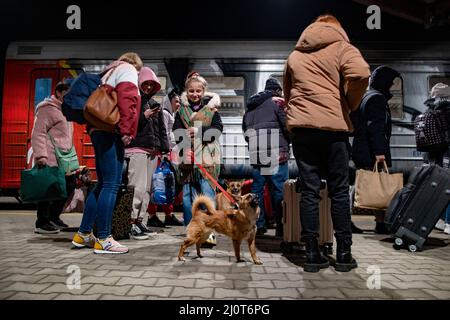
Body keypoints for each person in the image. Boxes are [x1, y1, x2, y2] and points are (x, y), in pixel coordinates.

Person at [283, 14, 370, 272]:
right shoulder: (342, 47)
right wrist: (349, 104)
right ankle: (343, 254)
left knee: (309, 190)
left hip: (303, 131)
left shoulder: (294, 56)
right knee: (339, 191)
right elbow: (362, 73)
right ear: (336, 29)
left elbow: (289, 93)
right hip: (334, 130)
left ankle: (312, 254)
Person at [72, 52, 142, 254]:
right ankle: (104, 238)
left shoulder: (108, 72)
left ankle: (84, 233)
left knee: (102, 184)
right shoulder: (127, 70)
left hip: (97, 130)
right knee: (111, 184)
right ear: (135, 65)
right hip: (111, 131)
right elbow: (128, 98)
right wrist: (128, 130)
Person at [351, 66, 400, 234]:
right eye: (391, 82)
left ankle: (380, 223)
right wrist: (380, 152)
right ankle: (375, 222)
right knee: (370, 186)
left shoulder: (367, 96)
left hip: (364, 148)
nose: (392, 85)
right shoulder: (376, 99)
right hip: (371, 151)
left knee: (369, 185)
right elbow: (375, 127)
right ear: (384, 82)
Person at [124, 66, 170, 240]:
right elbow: (128, 125)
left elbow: (162, 130)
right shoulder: (134, 101)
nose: (149, 87)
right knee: (137, 187)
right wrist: (144, 116)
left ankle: (140, 221)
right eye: (146, 83)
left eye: (152, 84)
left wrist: (164, 149)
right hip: (136, 149)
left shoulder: (154, 103)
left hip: (152, 151)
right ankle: (130, 222)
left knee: (148, 189)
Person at [172, 72, 222, 230]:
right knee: (188, 197)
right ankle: (191, 229)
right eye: (191, 91)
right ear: (187, 91)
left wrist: (198, 131)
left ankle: (208, 231)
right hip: (188, 161)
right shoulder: (180, 112)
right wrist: (185, 148)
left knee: (207, 195)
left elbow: (217, 130)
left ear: (203, 91)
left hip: (208, 160)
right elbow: (177, 131)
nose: (195, 94)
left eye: (198, 91)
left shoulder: (212, 110)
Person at [242, 77, 290, 237]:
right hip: (277, 154)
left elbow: (246, 133)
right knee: (279, 191)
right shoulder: (277, 103)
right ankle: (282, 226)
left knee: (257, 191)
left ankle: (258, 224)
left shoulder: (250, 107)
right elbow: (287, 126)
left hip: (258, 154)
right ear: (277, 90)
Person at [31, 82, 74, 233]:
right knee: (47, 189)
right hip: (50, 156)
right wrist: (41, 156)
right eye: (67, 93)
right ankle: (42, 223)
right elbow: (38, 133)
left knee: (69, 186)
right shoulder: (47, 108)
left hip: (64, 157)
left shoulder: (65, 110)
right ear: (58, 92)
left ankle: (54, 217)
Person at [146, 88, 184, 227]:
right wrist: (165, 153)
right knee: (159, 184)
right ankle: (153, 215)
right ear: (169, 101)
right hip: (164, 154)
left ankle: (167, 214)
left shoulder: (171, 114)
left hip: (169, 153)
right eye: (176, 101)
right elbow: (165, 134)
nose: (178, 104)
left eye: (179, 101)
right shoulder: (166, 114)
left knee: (167, 184)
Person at [424, 82, 450, 235]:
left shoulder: (429, 109)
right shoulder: (447, 111)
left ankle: (439, 220)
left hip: (431, 156)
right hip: (447, 154)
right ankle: (448, 223)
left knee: (438, 188)